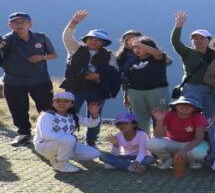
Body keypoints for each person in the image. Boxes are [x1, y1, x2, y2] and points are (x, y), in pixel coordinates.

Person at [60, 10, 121, 146]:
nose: (94, 41)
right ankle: (66, 138)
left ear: (103, 43)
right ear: (86, 39)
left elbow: (114, 74)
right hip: (74, 87)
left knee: (95, 114)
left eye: (98, 40)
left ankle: (91, 141)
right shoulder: (75, 48)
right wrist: (74, 22)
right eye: (91, 38)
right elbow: (67, 37)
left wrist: (98, 76)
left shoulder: (110, 56)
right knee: (70, 112)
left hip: (97, 89)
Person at [0, 12, 58, 146]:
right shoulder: (6, 40)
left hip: (40, 80)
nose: (19, 25)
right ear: (10, 25)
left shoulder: (41, 37)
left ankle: (48, 133)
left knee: (47, 108)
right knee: (18, 109)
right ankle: (24, 134)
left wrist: (41, 57)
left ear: (30, 24)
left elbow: (54, 55)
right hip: (14, 82)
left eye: (22, 22)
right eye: (15, 22)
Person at [33, 91, 101, 172]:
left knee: (93, 153)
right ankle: (60, 164)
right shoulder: (46, 116)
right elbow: (46, 135)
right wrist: (70, 138)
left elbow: (91, 124)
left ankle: (62, 155)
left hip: (66, 143)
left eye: (66, 101)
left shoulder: (72, 116)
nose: (61, 104)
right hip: (44, 146)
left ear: (72, 104)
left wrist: (94, 115)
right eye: (58, 101)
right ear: (53, 103)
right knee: (69, 139)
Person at [171, 11, 215, 118]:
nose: (198, 40)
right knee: (189, 115)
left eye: (202, 38)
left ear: (209, 40)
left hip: (211, 89)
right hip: (192, 88)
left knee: (209, 117)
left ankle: (205, 134)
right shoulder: (187, 52)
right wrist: (178, 26)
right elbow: (175, 41)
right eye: (195, 38)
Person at [146, 97, 210, 170]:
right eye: (181, 104)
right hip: (173, 142)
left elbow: (199, 137)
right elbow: (158, 135)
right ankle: (167, 159)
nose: (185, 106)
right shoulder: (169, 114)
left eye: (189, 105)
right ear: (175, 106)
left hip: (192, 143)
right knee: (150, 143)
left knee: (199, 153)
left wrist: (184, 150)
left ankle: (194, 161)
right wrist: (160, 121)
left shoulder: (199, 116)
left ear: (195, 109)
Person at [125, 37, 170, 134]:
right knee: (139, 119)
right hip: (136, 93)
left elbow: (158, 53)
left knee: (161, 117)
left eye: (140, 47)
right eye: (135, 47)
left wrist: (139, 43)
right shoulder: (132, 63)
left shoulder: (157, 58)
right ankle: (142, 143)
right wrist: (126, 96)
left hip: (156, 91)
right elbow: (128, 81)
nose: (137, 49)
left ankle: (161, 142)